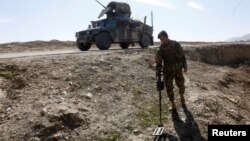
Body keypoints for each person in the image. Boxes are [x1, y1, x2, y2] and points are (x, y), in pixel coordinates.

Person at [155, 30, 187, 111]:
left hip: (177, 68)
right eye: (160, 40)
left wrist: (185, 65)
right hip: (167, 70)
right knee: (169, 87)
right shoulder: (161, 48)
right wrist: (158, 71)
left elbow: (182, 55)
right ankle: (172, 103)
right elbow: (158, 62)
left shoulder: (175, 44)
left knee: (181, 84)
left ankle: (182, 97)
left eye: (163, 38)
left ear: (167, 37)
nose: (162, 41)